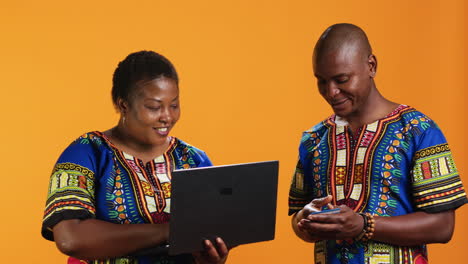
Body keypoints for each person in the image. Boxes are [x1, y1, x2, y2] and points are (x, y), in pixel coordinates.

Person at [288, 23, 467, 264]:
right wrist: (305, 219)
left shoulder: (417, 130)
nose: (331, 92)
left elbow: (443, 226)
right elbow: (297, 220)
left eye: (341, 79)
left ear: (371, 66)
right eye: (322, 81)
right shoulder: (314, 140)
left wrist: (364, 224)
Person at [42, 51, 230, 264]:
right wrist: (167, 231)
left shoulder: (194, 160)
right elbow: (70, 239)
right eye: (154, 107)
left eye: (174, 105)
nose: (167, 116)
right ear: (124, 105)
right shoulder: (87, 152)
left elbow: (211, 236)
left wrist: (212, 258)